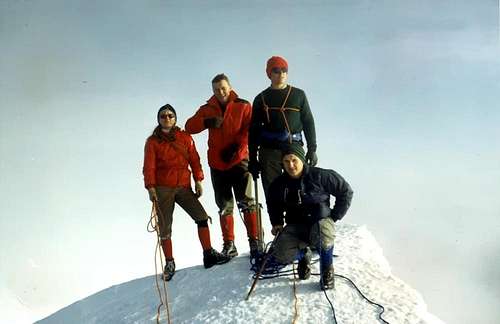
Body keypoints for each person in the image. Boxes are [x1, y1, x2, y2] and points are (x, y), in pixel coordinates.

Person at [143, 104, 230, 281]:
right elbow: (149, 166)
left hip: (184, 186)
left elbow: (194, 159)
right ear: (158, 120)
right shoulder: (153, 142)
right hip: (163, 188)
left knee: (202, 217)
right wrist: (151, 187)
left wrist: (198, 180)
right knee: (165, 227)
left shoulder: (184, 137)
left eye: (170, 115)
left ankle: (208, 253)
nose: (167, 118)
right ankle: (169, 262)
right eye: (163, 116)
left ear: (175, 118)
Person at [185, 74, 262, 259]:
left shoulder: (243, 105)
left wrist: (237, 148)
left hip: (240, 160)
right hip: (217, 164)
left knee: (247, 202)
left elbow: (250, 130)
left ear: (230, 87)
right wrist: (206, 122)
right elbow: (189, 126)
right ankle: (229, 244)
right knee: (224, 205)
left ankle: (255, 242)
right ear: (212, 91)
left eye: (223, 88)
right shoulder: (207, 109)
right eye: (216, 89)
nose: (220, 92)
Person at [262, 143, 353, 290]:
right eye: (286, 161)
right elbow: (273, 203)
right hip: (295, 226)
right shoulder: (278, 184)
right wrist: (277, 222)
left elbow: (346, 191)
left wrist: (334, 216)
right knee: (280, 253)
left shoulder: (321, 176)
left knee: (324, 235)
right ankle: (304, 254)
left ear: (302, 159)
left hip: (319, 222)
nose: (291, 165)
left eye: (294, 160)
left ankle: (327, 270)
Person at [249, 55, 318, 202]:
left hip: (294, 148)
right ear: (269, 73)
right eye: (276, 70)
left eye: (284, 70)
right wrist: (252, 158)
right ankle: (277, 224)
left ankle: (297, 224)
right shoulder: (261, 99)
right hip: (269, 151)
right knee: (273, 192)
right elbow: (254, 130)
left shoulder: (298, 95)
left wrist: (312, 149)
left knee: (300, 189)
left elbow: (308, 121)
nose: (281, 73)